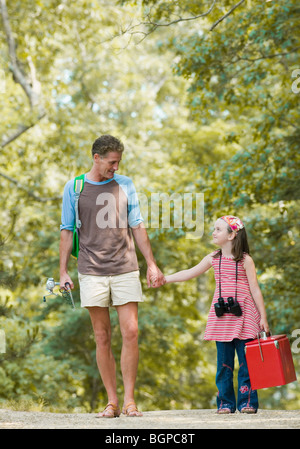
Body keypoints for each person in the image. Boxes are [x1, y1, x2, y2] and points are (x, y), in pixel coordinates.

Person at [59, 135, 164, 418]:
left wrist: (151, 263)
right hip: (91, 270)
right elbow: (66, 230)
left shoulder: (125, 185)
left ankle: (130, 401)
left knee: (131, 332)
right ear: (96, 157)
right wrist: (63, 271)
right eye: (111, 162)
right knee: (102, 336)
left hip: (125, 267)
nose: (115, 167)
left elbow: (138, 226)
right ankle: (112, 401)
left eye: (118, 162)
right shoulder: (75, 188)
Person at [155, 215, 269, 414]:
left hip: (246, 316)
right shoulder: (213, 258)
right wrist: (166, 279)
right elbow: (190, 272)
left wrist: (263, 317)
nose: (213, 233)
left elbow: (255, 289)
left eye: (218, 229)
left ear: (232, 235)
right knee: (224, 364)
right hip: (222, 318)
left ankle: (247, 402)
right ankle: (225, 403)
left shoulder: (245, 260)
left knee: (246, 363)